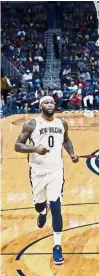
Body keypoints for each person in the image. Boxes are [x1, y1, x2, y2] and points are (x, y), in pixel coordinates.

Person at [14, 96, 79, 264]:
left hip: (56, 171)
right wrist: (35, 148)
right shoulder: (32, 124)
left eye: (52, 102)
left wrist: (71, 153)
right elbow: (17, 145)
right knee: (39, 204)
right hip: (37, 172)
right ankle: (42, 211)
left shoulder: (61, 124)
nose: (50, 105)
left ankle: (57, 246)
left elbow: (66, 140)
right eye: (46, 102)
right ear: (41, 105)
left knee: (56, 206)